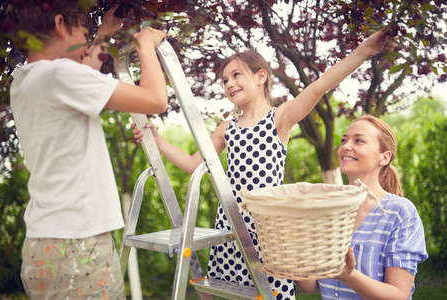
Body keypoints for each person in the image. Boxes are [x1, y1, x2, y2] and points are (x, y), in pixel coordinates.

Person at [134, 30, 392, 300]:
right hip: (231, 225)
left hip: (268, 227)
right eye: (224, 80)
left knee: (269, 294)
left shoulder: (279, 118)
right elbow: (192, 163)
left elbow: (319, 86)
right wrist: (158, 141)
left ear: (261, 77)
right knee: (230, 293)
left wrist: (364, 51)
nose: (229, 83)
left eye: (236, 75)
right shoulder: (226, 129)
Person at [10, 2, 167, 299]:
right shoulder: (61, 76)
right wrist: (146, 45)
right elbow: (156, 100)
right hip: (77, 246)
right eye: (83, 33)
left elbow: (71, 63)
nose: (87, 45)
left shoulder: (24, 80)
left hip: (43, 246)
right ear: (59, 23)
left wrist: (102, 31)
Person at [298, 115, 428, 299]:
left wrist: (349, 276)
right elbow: (311, 286)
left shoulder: (400, 213)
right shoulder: (329, 209)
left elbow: (399, 295)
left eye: (358, 140)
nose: (346, 146)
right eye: (344, 140)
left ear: (384, 157)